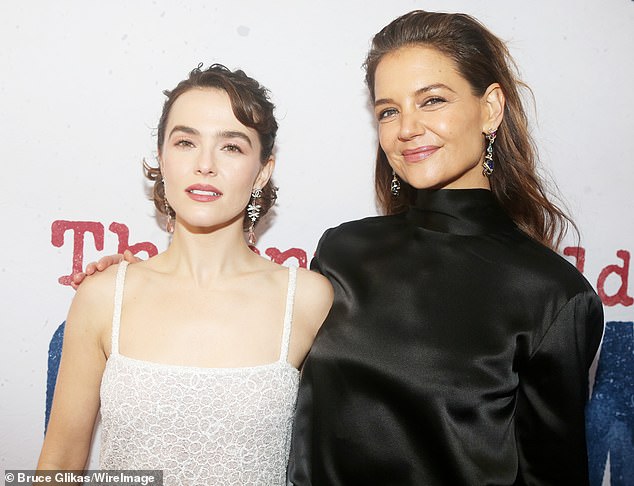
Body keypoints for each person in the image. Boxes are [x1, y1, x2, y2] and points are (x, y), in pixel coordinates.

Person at [287, 10, 604, 486]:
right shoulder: (343, 250)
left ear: (490, 108)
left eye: (431, 101)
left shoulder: (556, 296)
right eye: (388, 111)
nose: (406, 128)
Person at [37, 64, 333, 485]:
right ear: (161, 157)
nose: (204, 165)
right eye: (185, 142)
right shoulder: (104, 296)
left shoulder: (307, 300)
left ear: (262, 171)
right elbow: (58, 466)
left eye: (231, 147)